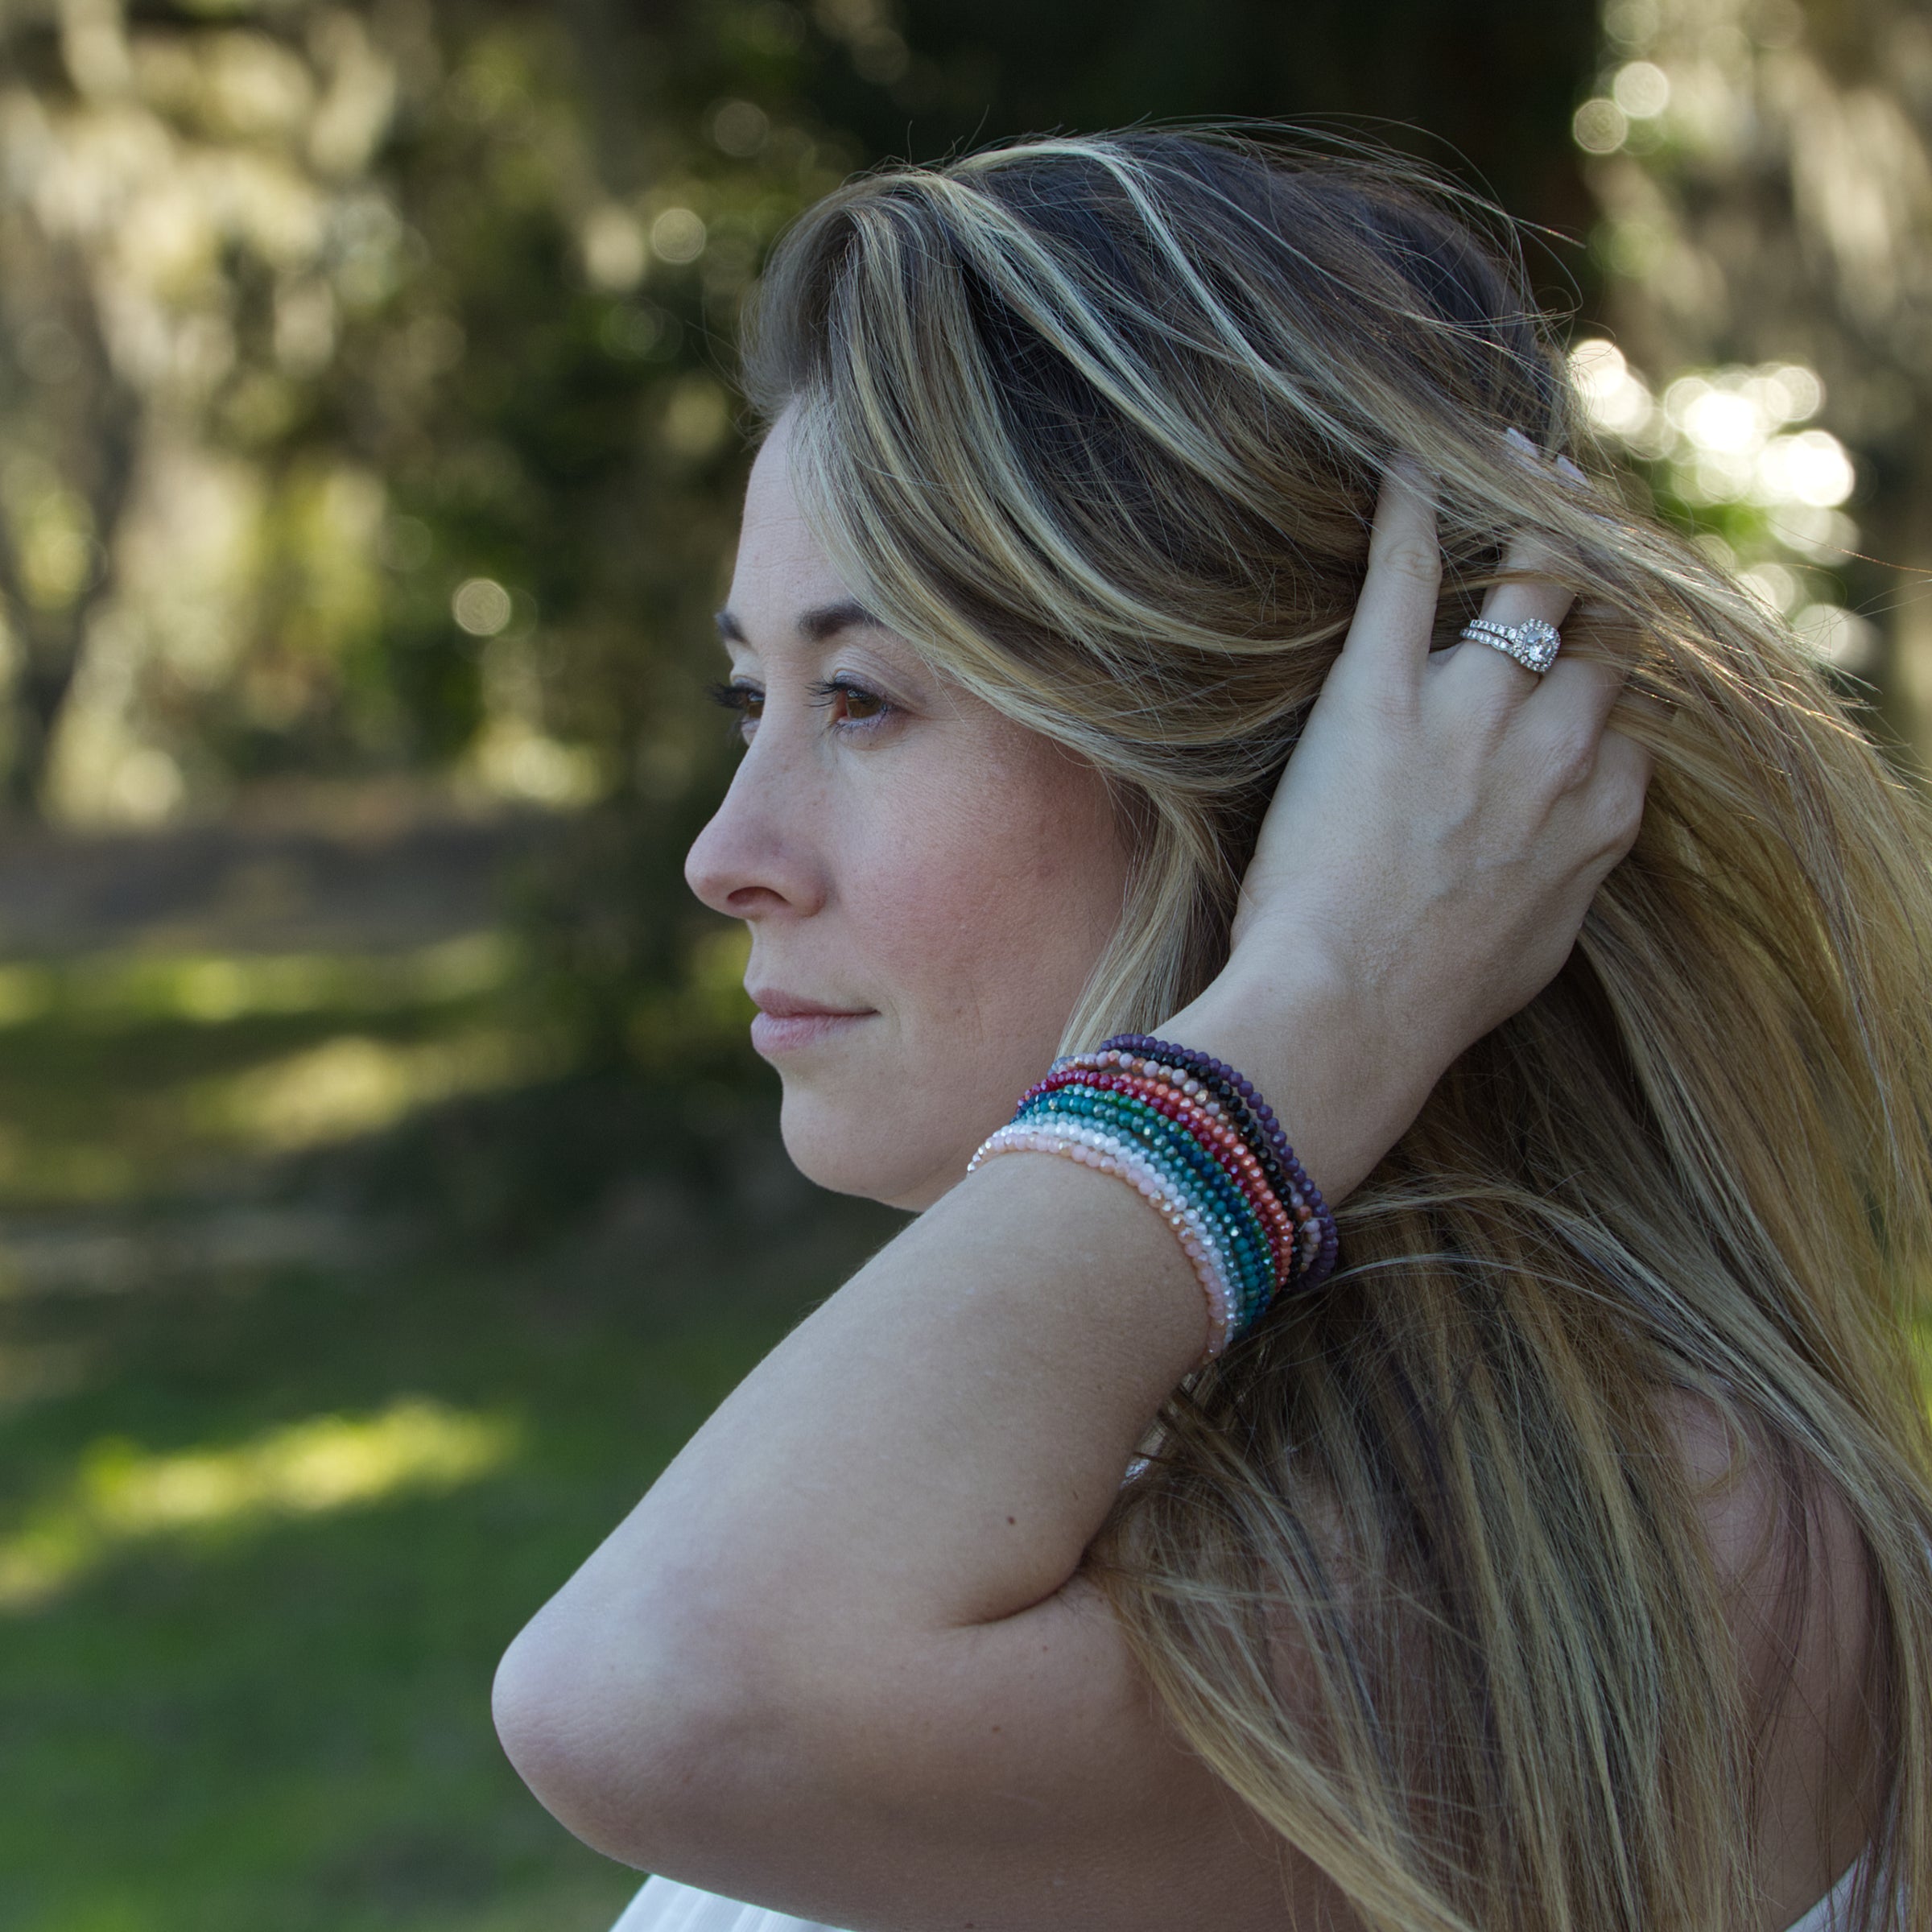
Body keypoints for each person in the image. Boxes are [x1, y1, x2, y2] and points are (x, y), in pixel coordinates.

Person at [491, 130, 1932, 1932]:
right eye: (748, 695)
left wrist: (1328, 998)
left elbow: (657, 1692)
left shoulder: (1663, 1555)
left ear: (1311, 781)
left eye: (858, 699)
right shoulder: (1019, 1479)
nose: (732, 856)